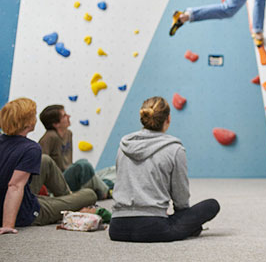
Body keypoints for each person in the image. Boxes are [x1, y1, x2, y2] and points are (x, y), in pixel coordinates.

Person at [109, 97, 220, 242]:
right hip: (153, 228)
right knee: (212, 205)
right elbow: (181, 198)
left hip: (117, 228)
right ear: (168, 119)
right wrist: (183, 218)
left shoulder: (123, 146)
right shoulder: (174, 149)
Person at [0, 98, 97, 234]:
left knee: (44, 160)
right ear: (28, 121)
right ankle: (68, 205)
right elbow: (15, 186)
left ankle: (65, 201)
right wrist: (7, 225)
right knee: (89, 194)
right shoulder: (31, 148)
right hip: (25, 212)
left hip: (16, 198)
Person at [38, 104, 110, 199]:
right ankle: (107, 192)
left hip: (68, 177)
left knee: (110, 171)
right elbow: (42, 168)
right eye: (64, 115)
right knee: (83, 165)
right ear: (56, 124)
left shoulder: (68, 133)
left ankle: (95, 190)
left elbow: (68, 162)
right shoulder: (49, 138)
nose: (69, 116)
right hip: (57, 183)